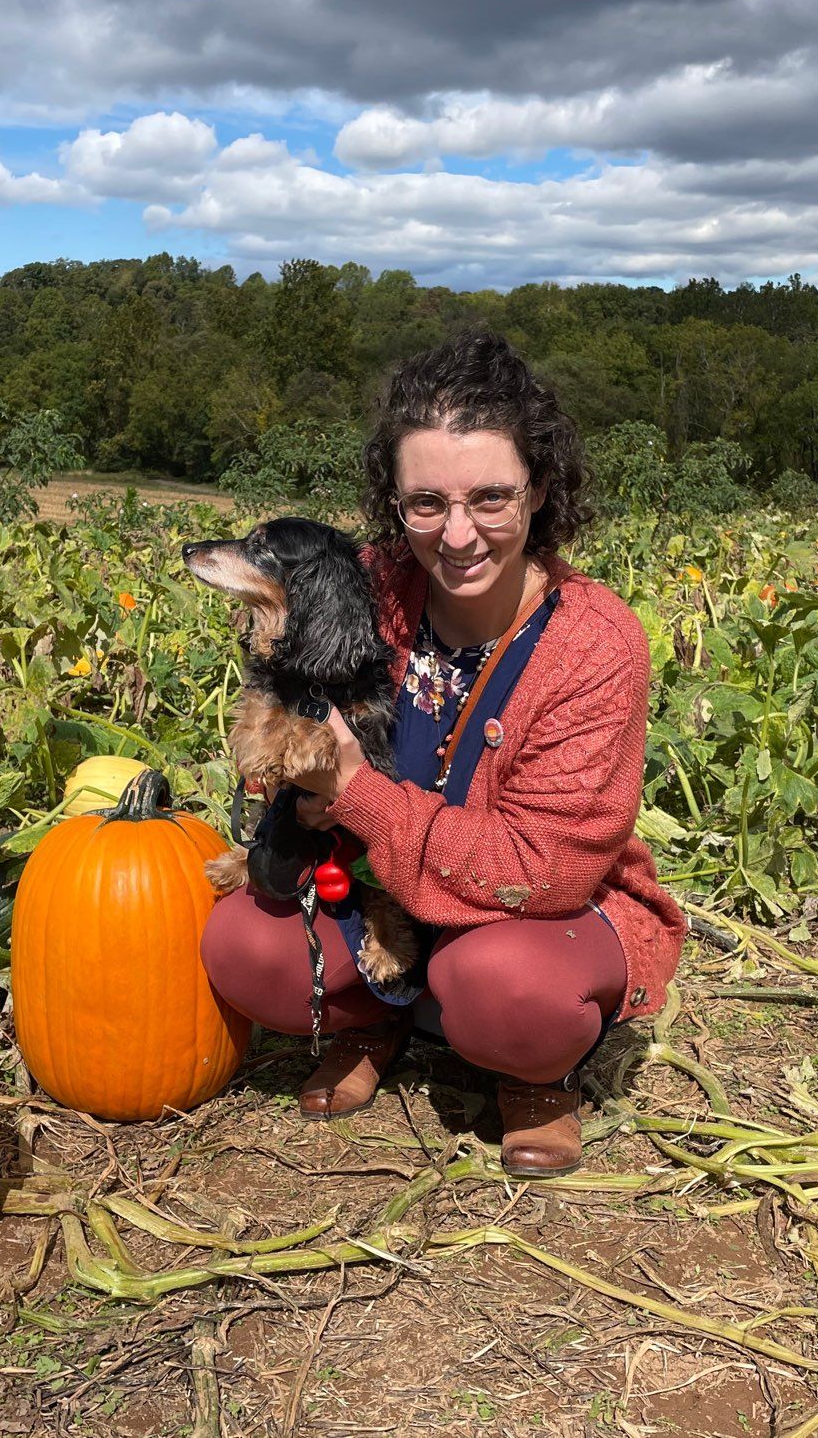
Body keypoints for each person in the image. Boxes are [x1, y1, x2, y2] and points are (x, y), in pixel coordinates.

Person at [198, 330, 686, 1178]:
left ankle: (537, 1075)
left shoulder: (593, 642)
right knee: (243, 944)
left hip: (529, 916)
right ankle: (376, 1018)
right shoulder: (367, 590)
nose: (457, 535)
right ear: (395, 502)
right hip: (383, 892)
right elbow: (277, 702)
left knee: (504, 985)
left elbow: (545, 872)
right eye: (426, 503)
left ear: (540, 491)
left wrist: (353, 791)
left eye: (490, 498)